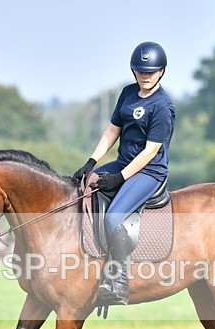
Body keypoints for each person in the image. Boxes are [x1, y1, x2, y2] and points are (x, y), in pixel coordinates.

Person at [72, 41, 176, 306]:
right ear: (134, 72)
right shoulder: (128, 93)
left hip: (149, 172)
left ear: (161, 72)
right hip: (123, 162)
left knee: (114, 216)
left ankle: (118, 281)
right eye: (141, 71)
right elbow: (112, 131)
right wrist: (91, 162)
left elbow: (150, 152)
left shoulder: (163, 106)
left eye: (150, 71)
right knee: (80, 189)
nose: (145, 75)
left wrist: (120, 178)